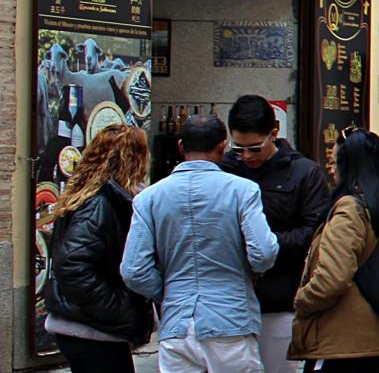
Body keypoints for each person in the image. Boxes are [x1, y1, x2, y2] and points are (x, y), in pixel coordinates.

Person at [121, 114, 279, 373]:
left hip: (177, 324)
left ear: (181, 146)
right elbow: (263, 253)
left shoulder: (148, 198)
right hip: (231, 316)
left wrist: (170, 291)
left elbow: (133, 270)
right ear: (222, 146)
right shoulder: (242, 190)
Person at [222, 95, 329, 373]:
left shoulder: (304, 173)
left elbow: (313, 235)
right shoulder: (225, 170)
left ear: (274, 133)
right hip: (229, 303)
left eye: (255, 148)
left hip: (281, 301)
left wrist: (263, 243)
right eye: (239, 148)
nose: (246, 157)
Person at [289, 129, 379, 373]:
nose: (331, 170)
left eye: (335, 162)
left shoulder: (350, 210)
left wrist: (301, 300)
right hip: (368, 340)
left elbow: (332, 278)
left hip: (339, 342)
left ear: (348, 167)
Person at [44, 124, 153, 373]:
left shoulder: (98, 195)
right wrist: (117, 308)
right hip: (91, 330)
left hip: (91, 329)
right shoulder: (98, 203)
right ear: (135, 158)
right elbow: (72, 264)